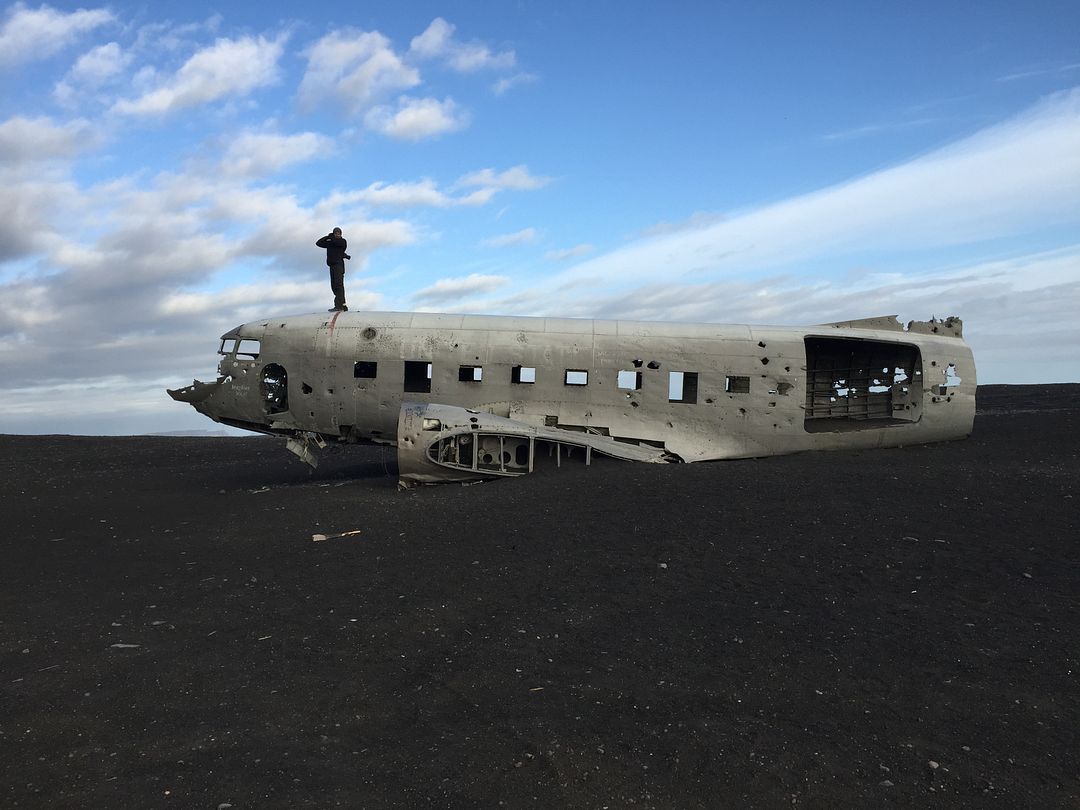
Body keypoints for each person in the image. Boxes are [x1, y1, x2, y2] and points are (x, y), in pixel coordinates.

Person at [316, 227, 351, 311]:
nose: (337, 235)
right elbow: (318, 243)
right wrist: (328, 237)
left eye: (339, 233)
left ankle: (339, 306)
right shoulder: (330, 242)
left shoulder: (342, 241)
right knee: (334, 286)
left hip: (338, 265)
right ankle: (342, 304)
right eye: (336, 233)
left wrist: (331, 238)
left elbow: (337, 243)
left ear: (341, 234)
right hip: (332, 266)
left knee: (339, 285)